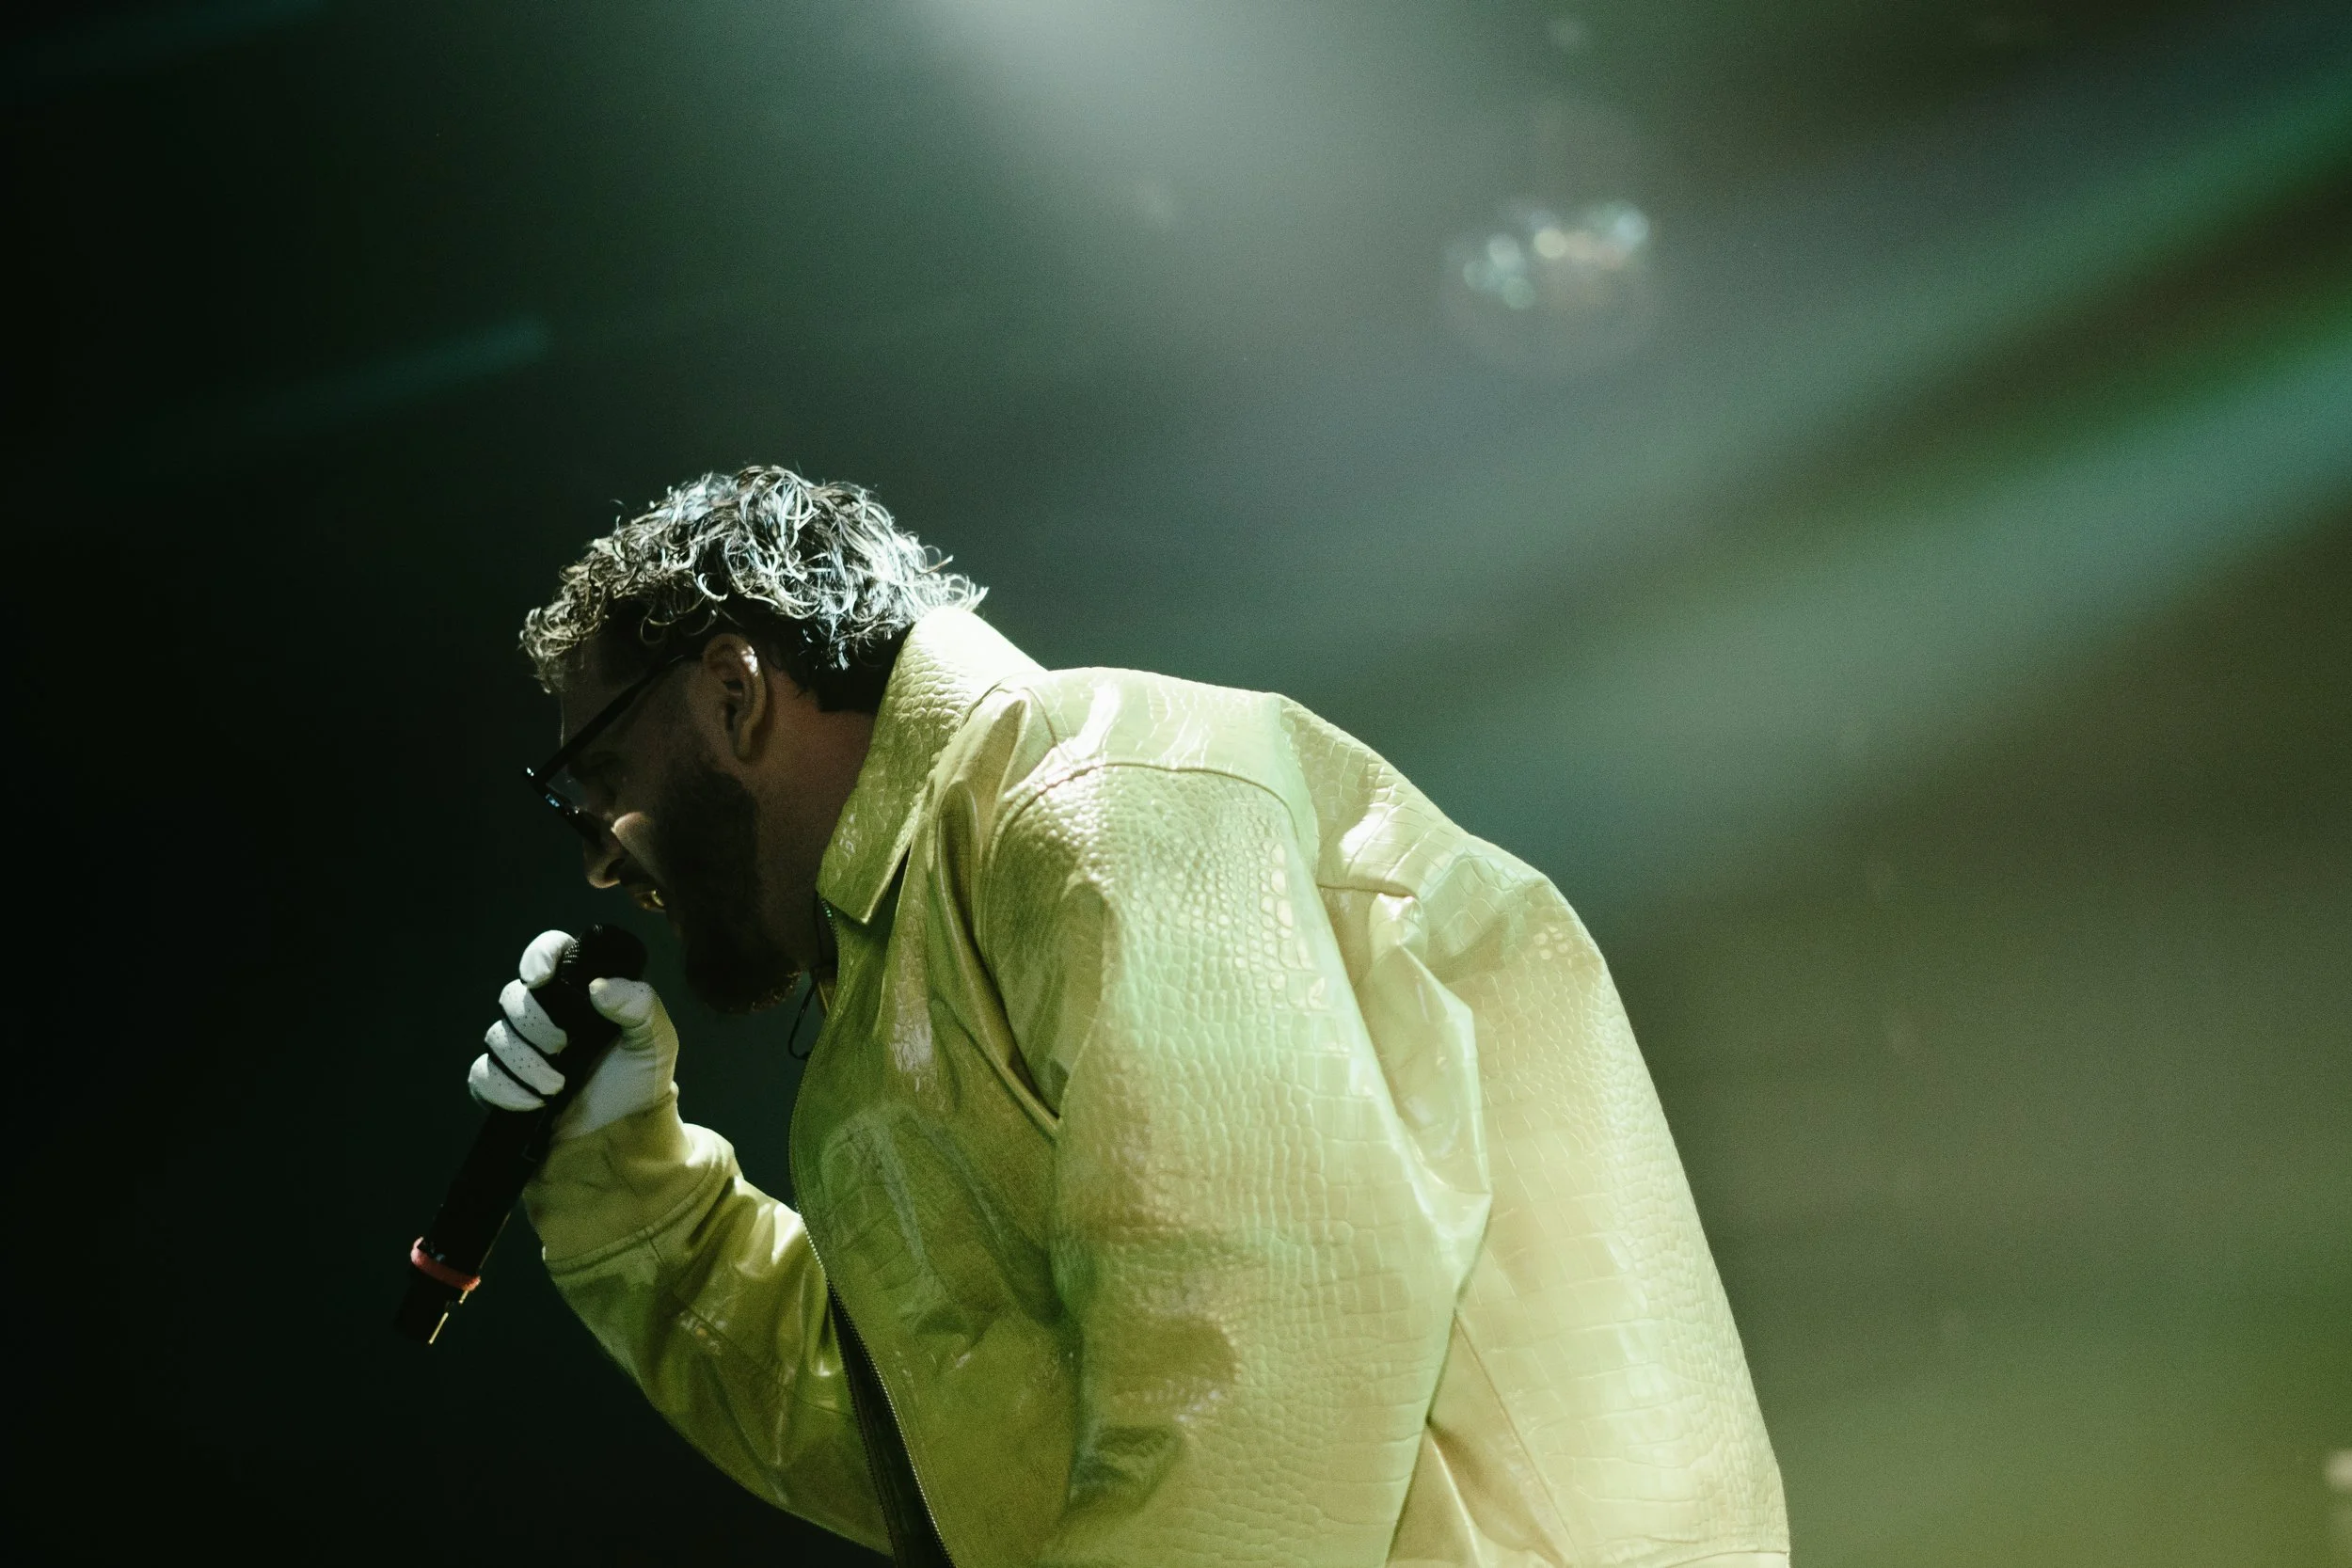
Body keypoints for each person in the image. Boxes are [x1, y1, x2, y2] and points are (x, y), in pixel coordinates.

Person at [470, 466, 1789, 1567]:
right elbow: (927, 1458)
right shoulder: (897, 984)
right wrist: (628, 1179)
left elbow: (1260, 1357)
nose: (597, 857)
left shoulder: (1095, 808)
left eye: (595, 779)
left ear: (733, 690)